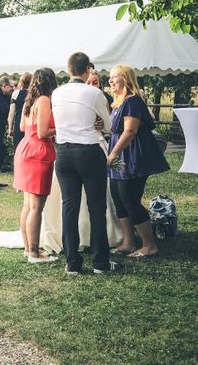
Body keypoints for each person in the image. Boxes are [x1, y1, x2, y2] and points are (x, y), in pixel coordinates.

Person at [52, 52, 115, 275]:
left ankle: (72, 263)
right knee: (97, 208)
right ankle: (100, 263)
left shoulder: (56, 93)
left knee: (69, 207)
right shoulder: (94, 93)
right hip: (89, 151)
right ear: (87, 68)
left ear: (69, 69)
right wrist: (97, 121)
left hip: (63, 153)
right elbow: (108, 127)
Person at [107, 65, 170, 258]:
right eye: (109, 77)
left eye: (114, 77)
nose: (110, 81)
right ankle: (128, 242)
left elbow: (130, 131)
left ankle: (149, 244)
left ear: (125, 78)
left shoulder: (133, 100)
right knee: (118, 198)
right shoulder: (119, 102)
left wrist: (113, 154)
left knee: (130, 199)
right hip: (120, 155)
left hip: (131, 155)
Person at [13, 69, 58, 263]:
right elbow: (42, 132)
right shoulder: (44, 100)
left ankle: (28, 248)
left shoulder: (29, 101)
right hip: (38, 152)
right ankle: (34, 253)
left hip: (25, 148)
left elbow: (24, 127)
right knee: (36, 208)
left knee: (27, 205)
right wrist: (62, 127)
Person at [9, 73, 33, 154]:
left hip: (19, 122)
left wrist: (10, 128)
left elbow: (11, 113)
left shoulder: (16, 93)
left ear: (22, 82)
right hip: (30, 123)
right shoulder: (34, 94)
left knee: (18, 150)